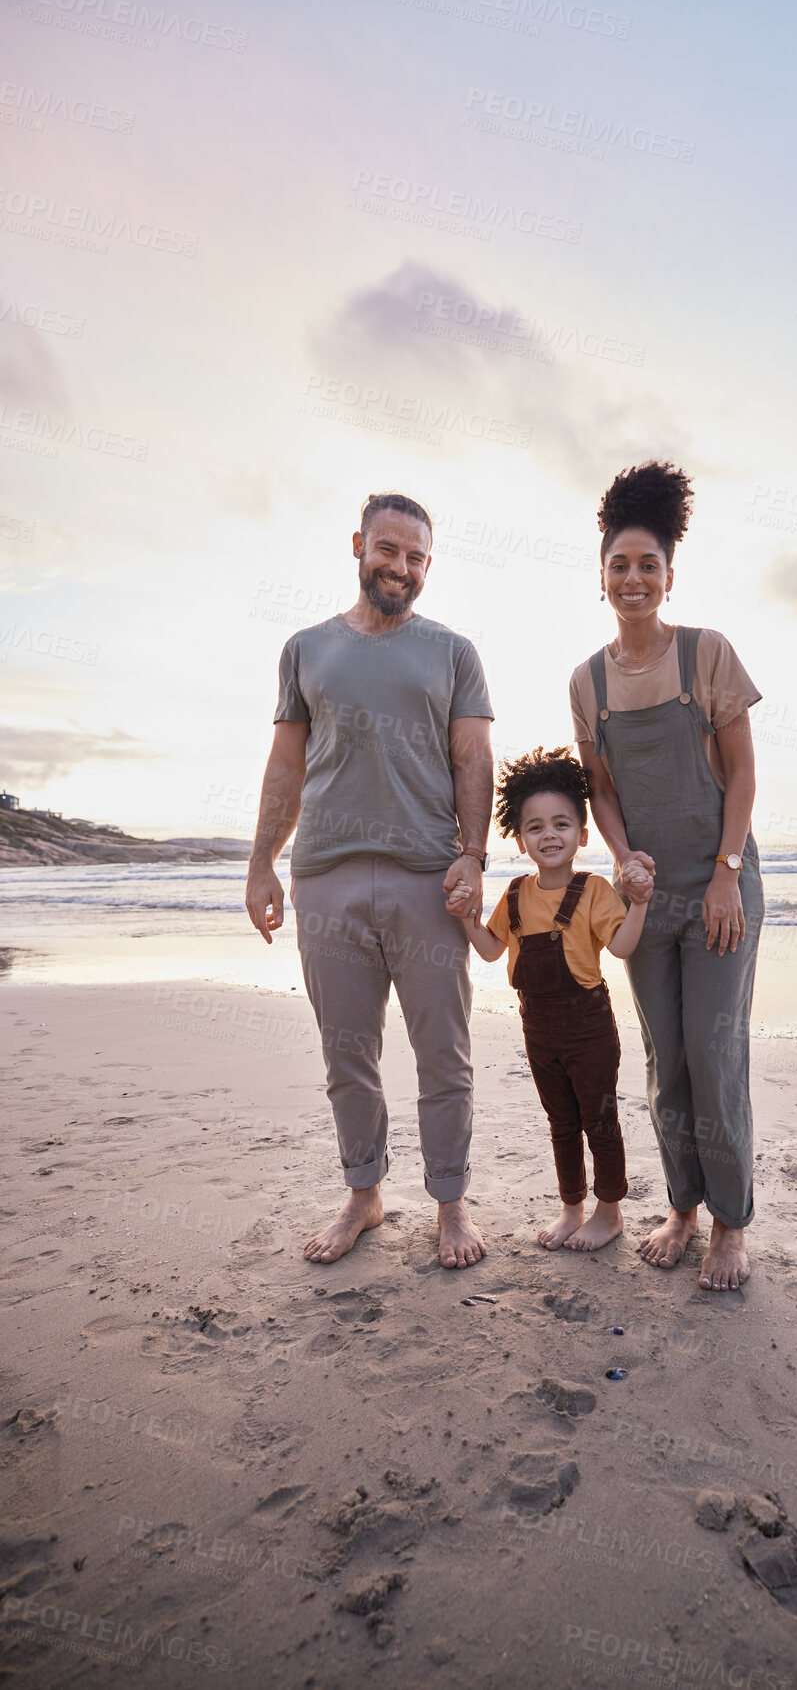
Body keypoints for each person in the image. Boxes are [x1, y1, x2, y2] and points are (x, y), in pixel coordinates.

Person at [244, 491, 494, 1269]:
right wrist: (260, 863)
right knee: (346, 1051)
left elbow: (473, 759)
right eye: (388, 550)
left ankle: (451, 1202)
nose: (401, 567)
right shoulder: (305, 648)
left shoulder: (454, 652)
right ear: (359, 545)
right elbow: (287, 765)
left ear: (428, 565)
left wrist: (474, 855)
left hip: (427, 878)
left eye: (416, 556)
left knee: (442, 1052)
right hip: (325, 875)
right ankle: (365, 1193)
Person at [570, 461, 763, 1291]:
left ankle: (730, 1224)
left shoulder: (706, 656)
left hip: (720, 887)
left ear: (669, 575)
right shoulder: (586, 682)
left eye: (648, 564)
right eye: (620, 565)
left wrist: (725, 872)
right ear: (602, 577)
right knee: (665, 1061)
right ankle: (682, 1207)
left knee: (715, 1055)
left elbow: (744, 776)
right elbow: (602, 792)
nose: (634, 577)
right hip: (648, 900)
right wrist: (620, 859)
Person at [456, 747, 653, 1252]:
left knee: (600, 1121)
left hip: (589, 1027)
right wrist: (465, 919)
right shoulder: (516, 894)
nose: (550, 835)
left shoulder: (592, 892)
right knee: (561, 1122)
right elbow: (491, 950)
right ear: (520, 839)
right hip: (537, 1027)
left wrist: (640, 905)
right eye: (536, 826)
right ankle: (572, 1209)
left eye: (562, 824)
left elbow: (624, 947)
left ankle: (609, 1214)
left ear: (582, 836)